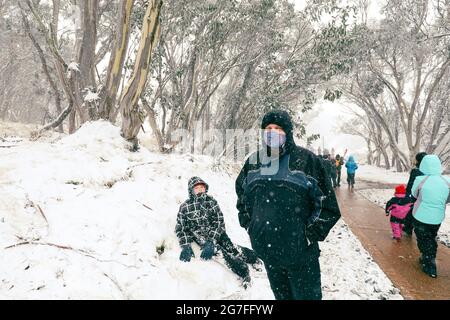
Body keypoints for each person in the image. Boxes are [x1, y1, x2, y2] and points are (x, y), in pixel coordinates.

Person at [235, 109, 341, 300]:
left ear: (288, 132)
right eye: (268, 128)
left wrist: (307, 236)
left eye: (278, 128)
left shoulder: (307, 161)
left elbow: (328, 205)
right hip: (269, 253)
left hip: (301, 256)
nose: (272, 132)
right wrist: (250, 225)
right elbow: (243, 197)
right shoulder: (254, 162)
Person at [175, 176, 260, 287]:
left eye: (202, 187)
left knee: (232, 249)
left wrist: (211, 240)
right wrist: (186, 246)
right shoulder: (185, 207)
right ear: (191, 191)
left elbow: (219, 221)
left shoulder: (211, 202)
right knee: (223, 254)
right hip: (201, 237)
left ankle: (254, 257)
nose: (200, 190)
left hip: (217, 233)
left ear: (205, 188)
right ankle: (244, 272)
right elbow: (181, 227)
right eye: (196, 188)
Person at [411, 155, 450, 278]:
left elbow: (414, 194)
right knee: (431, 237)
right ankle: (429, 256)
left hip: (420, 215)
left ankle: (429, 262)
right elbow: (448, 199)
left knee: (422, 238)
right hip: (437, 217)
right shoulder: (446, 181)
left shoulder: (420, 180)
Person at [403, 152, 427, 235]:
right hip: (426, 197)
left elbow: (411, 184)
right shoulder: (431, 173)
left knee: (410, 211)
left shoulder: (416, 171)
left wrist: (407, 194)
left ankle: (408, 228)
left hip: (415, 195)